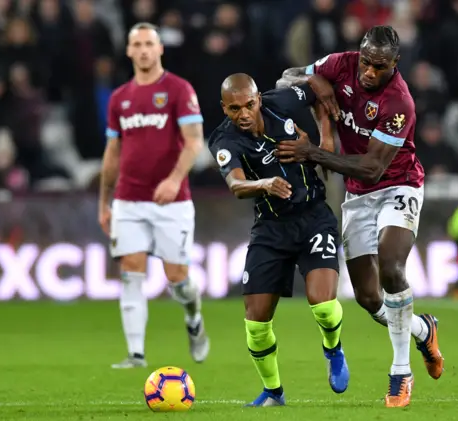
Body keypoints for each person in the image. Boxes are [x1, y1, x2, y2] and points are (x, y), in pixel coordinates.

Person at [276, 25, 443, 407]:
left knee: (391, 266)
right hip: (358, 197)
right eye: (366, 62)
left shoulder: (399, 102)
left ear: (395, 65)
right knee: (369, 298)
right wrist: (314, 82)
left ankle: (400, 373)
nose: (368, 72)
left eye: (379, 66)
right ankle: (422, 329)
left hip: (397, 184)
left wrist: (312, 152)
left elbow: (371, 169)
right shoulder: (341, 64)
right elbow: (285, 79)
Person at [208, 73, 348, 407]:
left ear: (258, 98)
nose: (243, 113)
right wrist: (264, 184)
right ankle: (274, 392)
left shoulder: (282, 101)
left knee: (324, 306)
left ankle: (334, 350)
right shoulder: (224, 142)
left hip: (314, 216)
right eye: (234, 108)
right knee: (255, 322)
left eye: (249, 104)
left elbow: (317, 87)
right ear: (224, 108)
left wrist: (325, 141)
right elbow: (235, 185)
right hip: (271, 228)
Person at [98, 22, 210, 369]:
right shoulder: (120, 98)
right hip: (129, 199)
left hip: (171, 201)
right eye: (138, 44)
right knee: (131, 271)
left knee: (177, 279)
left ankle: (193, 316)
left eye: (150, 43)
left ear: (160, 49)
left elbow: (193, 142)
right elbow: (112, 151)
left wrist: (175, 179)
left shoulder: (178, 90)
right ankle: (136, 354)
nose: (144, 49)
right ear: (129, 51)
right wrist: (104, 201)